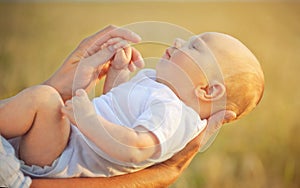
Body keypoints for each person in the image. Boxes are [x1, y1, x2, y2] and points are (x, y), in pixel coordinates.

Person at [0, 25, 242, 187]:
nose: (179, 41)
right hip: (63, 143)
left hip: (63, 157)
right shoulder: (157, 85)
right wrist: (118, 72)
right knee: (45, 100)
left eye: (194, 47)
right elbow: (116, 107)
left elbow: (134, 148)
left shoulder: (175, 115)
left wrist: (89, 120)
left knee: (45, 99)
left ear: (208, 90)